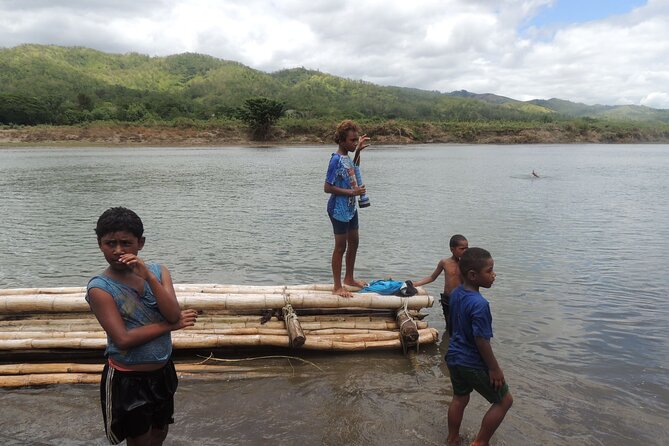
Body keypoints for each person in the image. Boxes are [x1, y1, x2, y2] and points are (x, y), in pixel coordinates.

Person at [86, 207, 198, 446]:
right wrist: (171, 327)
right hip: (128, 379)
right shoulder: (100, 288)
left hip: (162, 371)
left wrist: (148, 276)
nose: (118, 250)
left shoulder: (158, 271)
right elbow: (123, 339)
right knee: (139, 439)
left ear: (141, 243)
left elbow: (172, 313)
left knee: (159, 433)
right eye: (110, 243)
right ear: (99, 244)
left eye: (126, 243)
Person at [445, 247, 513, 446]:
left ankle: (453, 438)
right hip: (470, 361)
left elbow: (452, 324)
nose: (494, 275)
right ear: (473, 275)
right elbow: (481, 340)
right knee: (504, 400)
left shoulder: (456, 293)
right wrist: (494, 368)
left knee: (460, 398)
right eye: (489, 271)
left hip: (453, 357)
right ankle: (480, 442)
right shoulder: (480, 304)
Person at [324, 119, 370, 297]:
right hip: (338, 209)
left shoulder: (347, 158)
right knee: (340, 247)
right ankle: (337, 286)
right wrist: (353, 192)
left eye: (356, 139)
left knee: (355, 242)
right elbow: (327, 187)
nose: (354, 142)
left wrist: (358, 151)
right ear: (342, 141)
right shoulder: (335, 160)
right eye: (352, 140)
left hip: (350, 208)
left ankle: (349, 278)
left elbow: (354, 168)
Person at [413, 234, 468, 327]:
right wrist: (415, 283)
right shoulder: (445, 262)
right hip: (447, 298)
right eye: (462, 249)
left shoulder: (467, 263)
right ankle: (447, 340)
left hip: (461, 298)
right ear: (452, 249)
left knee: (461, 324)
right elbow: (432, 277)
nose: (465, 251)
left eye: (467, 248)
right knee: (449, 324)